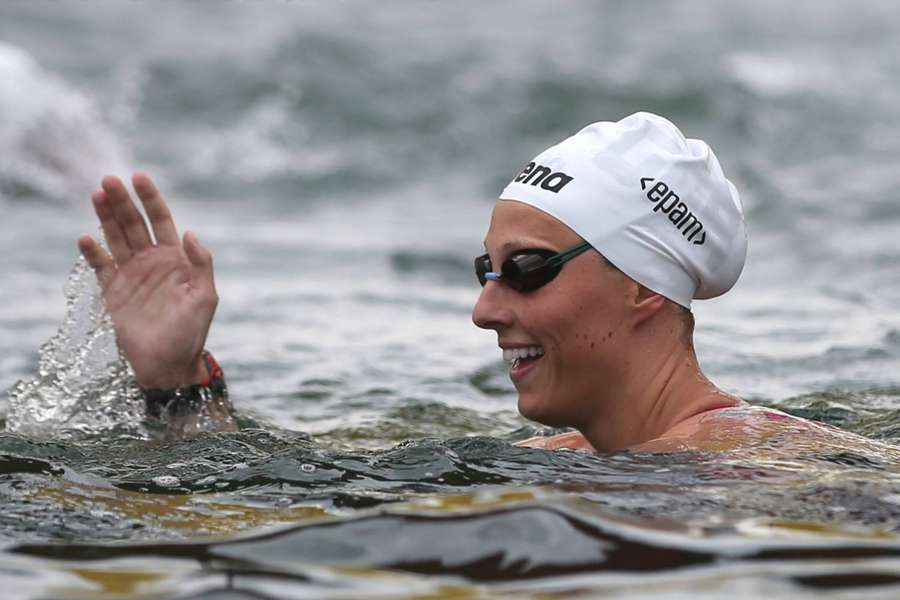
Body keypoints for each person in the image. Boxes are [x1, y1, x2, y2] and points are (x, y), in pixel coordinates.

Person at [74, 112, 829, 451]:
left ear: (644, 288)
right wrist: (176, 382)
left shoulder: (766, 463)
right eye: (487, 271)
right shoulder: (561, 460)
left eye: (527, 271)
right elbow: (278, 503)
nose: (484, 309)